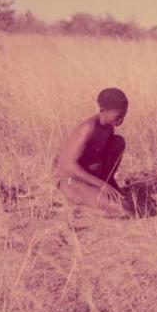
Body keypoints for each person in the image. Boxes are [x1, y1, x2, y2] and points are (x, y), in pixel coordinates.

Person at [56, 88, 131, 218]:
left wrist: (107, 182)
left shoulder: (109, 128)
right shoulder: (89, 128)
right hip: (72, 182)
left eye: (124, 116)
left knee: (118, 142)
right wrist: (101, 185)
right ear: (103, 111)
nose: (121, 120)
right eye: (118, 116)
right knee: (122, 209)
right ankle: (81, 208)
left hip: (95, 180)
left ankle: (106, 185)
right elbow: (67, 165)